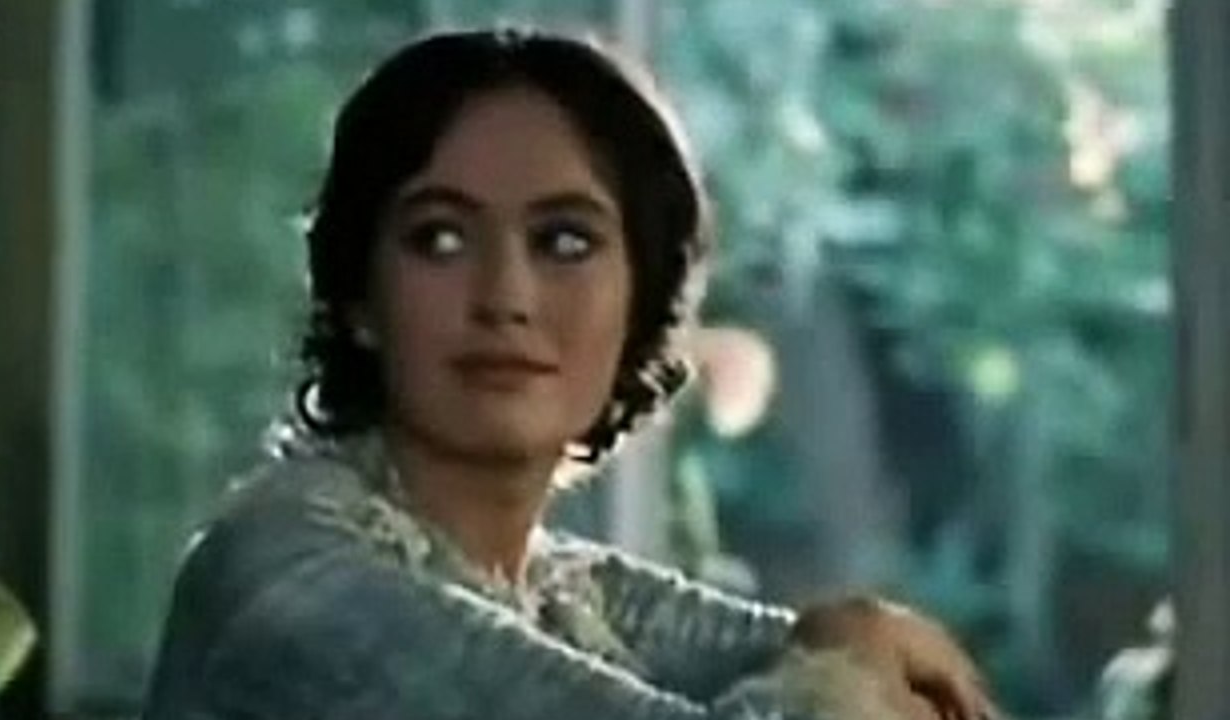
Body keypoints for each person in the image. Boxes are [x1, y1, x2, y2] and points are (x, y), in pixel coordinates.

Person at [143, 27, 997, 720]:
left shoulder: (549, 588)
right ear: (360, 297)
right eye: (440, 238)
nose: (506, 297)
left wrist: (864, 640)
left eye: (564, 241)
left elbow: (805, 655)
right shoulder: (286, 582)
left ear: (639, 302)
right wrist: (848, 670)